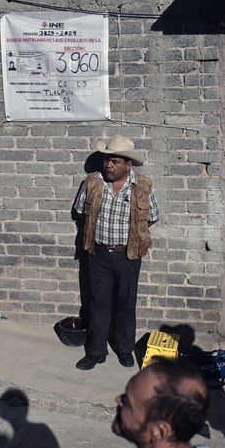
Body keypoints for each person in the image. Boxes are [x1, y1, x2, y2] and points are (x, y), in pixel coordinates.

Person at [72, 135, 161, 371]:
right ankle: (96, 352)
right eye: (106, 161)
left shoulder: (142, 186)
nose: (108, 166)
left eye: (114, 161)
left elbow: (152, 217)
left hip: (128, 256)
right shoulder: (92, 183)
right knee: (98, 305)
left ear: (127, 164)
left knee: (125, 304)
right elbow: (81, 213)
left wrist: (132, 236)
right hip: (98, 255)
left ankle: (124, 349)